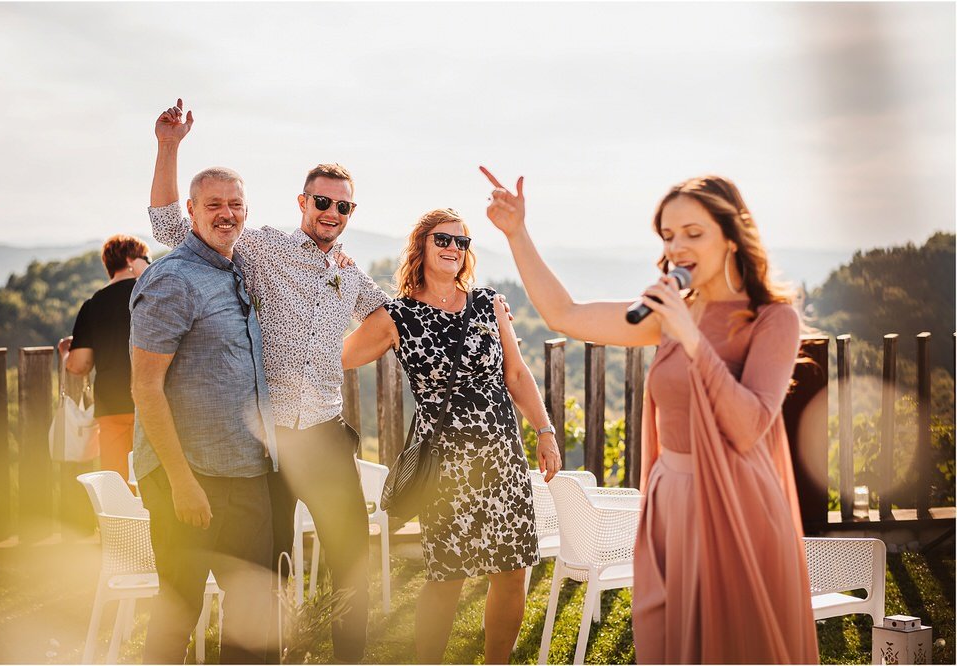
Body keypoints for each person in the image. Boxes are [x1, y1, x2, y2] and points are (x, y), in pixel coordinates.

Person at [480, 167, 819, 664]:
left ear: (732, 236)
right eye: (668, 235)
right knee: (672, 644)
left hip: (736, 503)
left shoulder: (772, 320)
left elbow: (749, 426)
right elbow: (566, 315)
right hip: (670, 499)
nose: (678, 246)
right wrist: (517, 233)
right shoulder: (666, 313)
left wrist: (689, 335)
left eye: (694, 233)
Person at [149, 99, 385, 663]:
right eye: (322, 201)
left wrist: (335, 359)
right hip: (267, 439)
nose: (332, 212)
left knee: (351, 560)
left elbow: (389, 320)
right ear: (303, 202)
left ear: (352, 212)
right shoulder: (262, 247)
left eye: (343, 206)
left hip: (325, 433)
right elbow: (166, 226)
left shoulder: (351, 275)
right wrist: (169, 146)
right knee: (272, 566)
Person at [341, 207, 562, 664]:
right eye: (443, 239)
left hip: (502, 454)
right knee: (447, 575)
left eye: (462, 242)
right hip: (444, 464)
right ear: (421, 245)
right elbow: (336, 358)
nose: (453, 249)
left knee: (511, 570)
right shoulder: (396, 316)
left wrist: (545, 431)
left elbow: (516, 375)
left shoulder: (488, 304)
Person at [130, 164, 277, 664]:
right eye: (213, 205)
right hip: (189, 477)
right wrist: (180, 480)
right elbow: (146, 388)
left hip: (245, 470)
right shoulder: (172, 279)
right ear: (190, 212)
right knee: (179, 611)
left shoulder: (236, 268)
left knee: (254, 614)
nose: (226, 214)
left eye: (235, 204)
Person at [59, 234, 151, 484]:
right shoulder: (152, 293)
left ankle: (119, 524)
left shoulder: (94, 305)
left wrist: (65, 352)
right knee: (154, 480)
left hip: (112, 406)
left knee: (118, 483)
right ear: (135, 260)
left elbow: (79, 365)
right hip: (154, 403)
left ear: (109, 266)